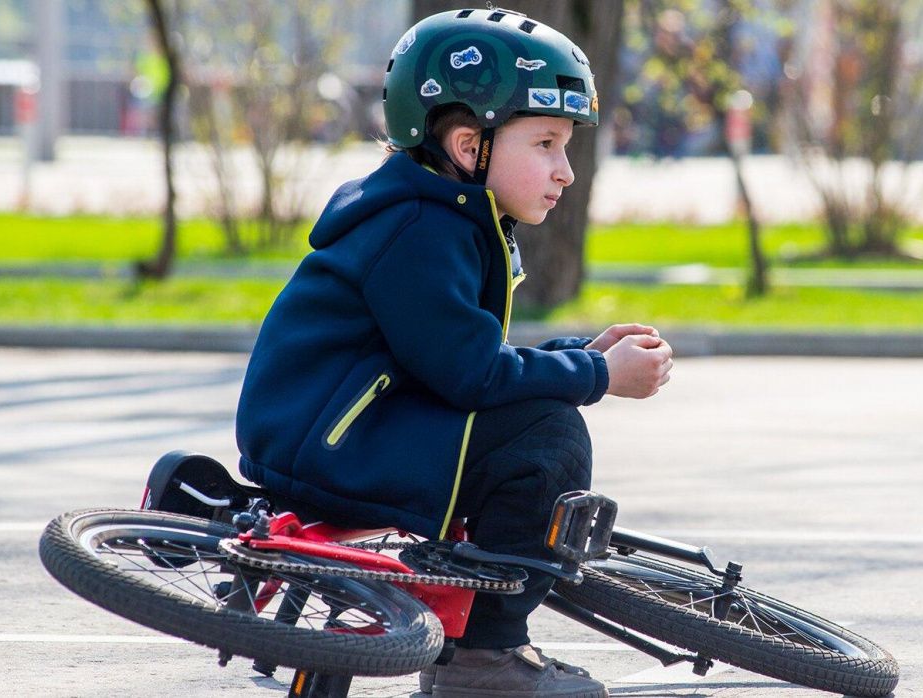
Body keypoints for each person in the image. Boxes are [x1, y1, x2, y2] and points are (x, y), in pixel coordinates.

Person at [234, 8, 673, 698]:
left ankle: (462, 624)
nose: (566, 172)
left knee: (532, 413)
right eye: (547, 144)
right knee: (543, 436)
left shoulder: (441, 215)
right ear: (471, 146)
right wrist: (595, 375)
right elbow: (472, 374)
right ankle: (485, 659)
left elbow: (460, 355)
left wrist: (579, 354)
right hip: (329, 445)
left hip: (344, 432)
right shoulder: (420, 230)